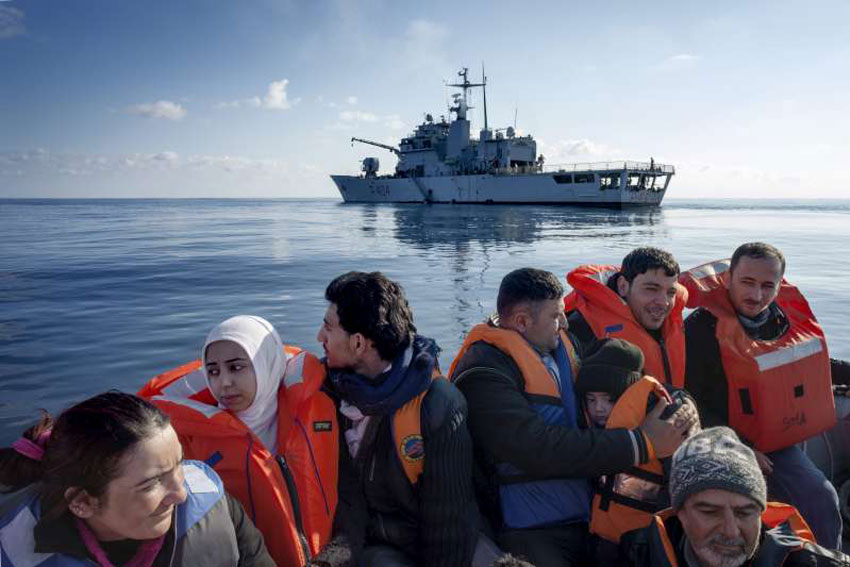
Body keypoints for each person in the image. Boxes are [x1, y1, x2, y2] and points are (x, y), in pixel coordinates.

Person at [448, 268, 698, 567]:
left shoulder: (561, 345)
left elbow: (623, 380)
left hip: (588, 516)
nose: (565, 322)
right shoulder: (484, 373)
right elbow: (534, 448)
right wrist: (641, 443)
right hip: (529, 530)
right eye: (556, 315)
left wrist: (679, 402)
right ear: (522, 322)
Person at [682, 242, 850, 550]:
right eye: (747, 282)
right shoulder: (701, 328)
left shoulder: (780, 317)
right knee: (821, 496)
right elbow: (692, 400)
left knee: (820, 501)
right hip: (725, 440)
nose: (756, 295)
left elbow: (811, 363)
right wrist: (740, 446)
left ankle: (828, 557)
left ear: (778, 286)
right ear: (729, 278)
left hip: (782, 432)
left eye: (766, 286)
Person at [317, 271, 489, 567]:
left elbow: (448, 517)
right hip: (368, 542)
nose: (319, 337)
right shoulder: (323, 391)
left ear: (359, 344)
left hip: (439, 542)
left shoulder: (438, 403)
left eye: (328, 329)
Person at [138, 315, 338, 567]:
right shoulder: (187, 439)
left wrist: (335, 554)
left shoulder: (318, 410)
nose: (224, 383)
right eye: (213, 371)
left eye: (236, 367)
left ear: (266, 363)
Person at [0, 391, 276, 567]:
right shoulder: (14, 555)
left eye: (179, 463)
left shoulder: (214, 506)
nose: (181, 494)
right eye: (152, 483)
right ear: (82, 501)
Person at [619, 426, 850, 567]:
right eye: (710, 512)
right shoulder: (636, 556)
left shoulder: (806, 563)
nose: (731, 531)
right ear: (680, 514)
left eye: (744, 513)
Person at [565, 247, 687, 387]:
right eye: (651, 289)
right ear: (622, 286)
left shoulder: (671, 323)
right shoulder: (581, 328)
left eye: (671, 293)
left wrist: (684, 401)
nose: (663, 302)